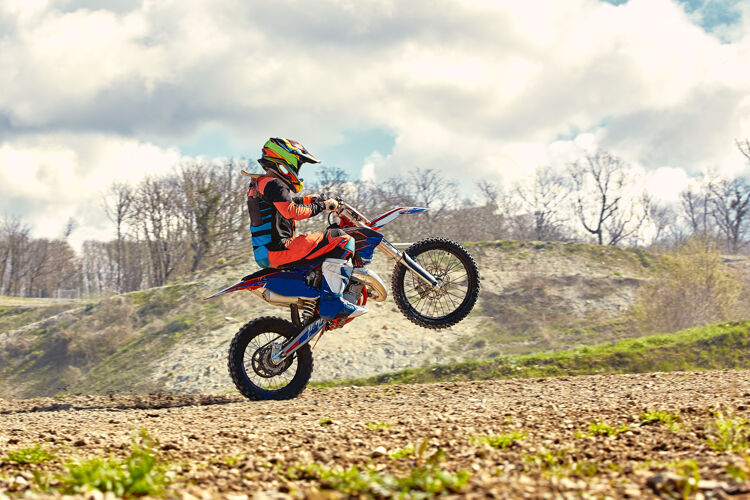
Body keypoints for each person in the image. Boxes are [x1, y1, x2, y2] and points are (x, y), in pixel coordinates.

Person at [246, 138, 367, 320]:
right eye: (298, 164)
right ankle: (333, 301)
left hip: (267, 251)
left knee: (325, 244)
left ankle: (322, 293)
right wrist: (323, 206)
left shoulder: (262, 183)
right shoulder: (275, 184)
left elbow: (284, 204)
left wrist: (311, 200)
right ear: (285, 159)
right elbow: (291, 210)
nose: (297, 170)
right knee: (341, 238)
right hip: (279, 249)